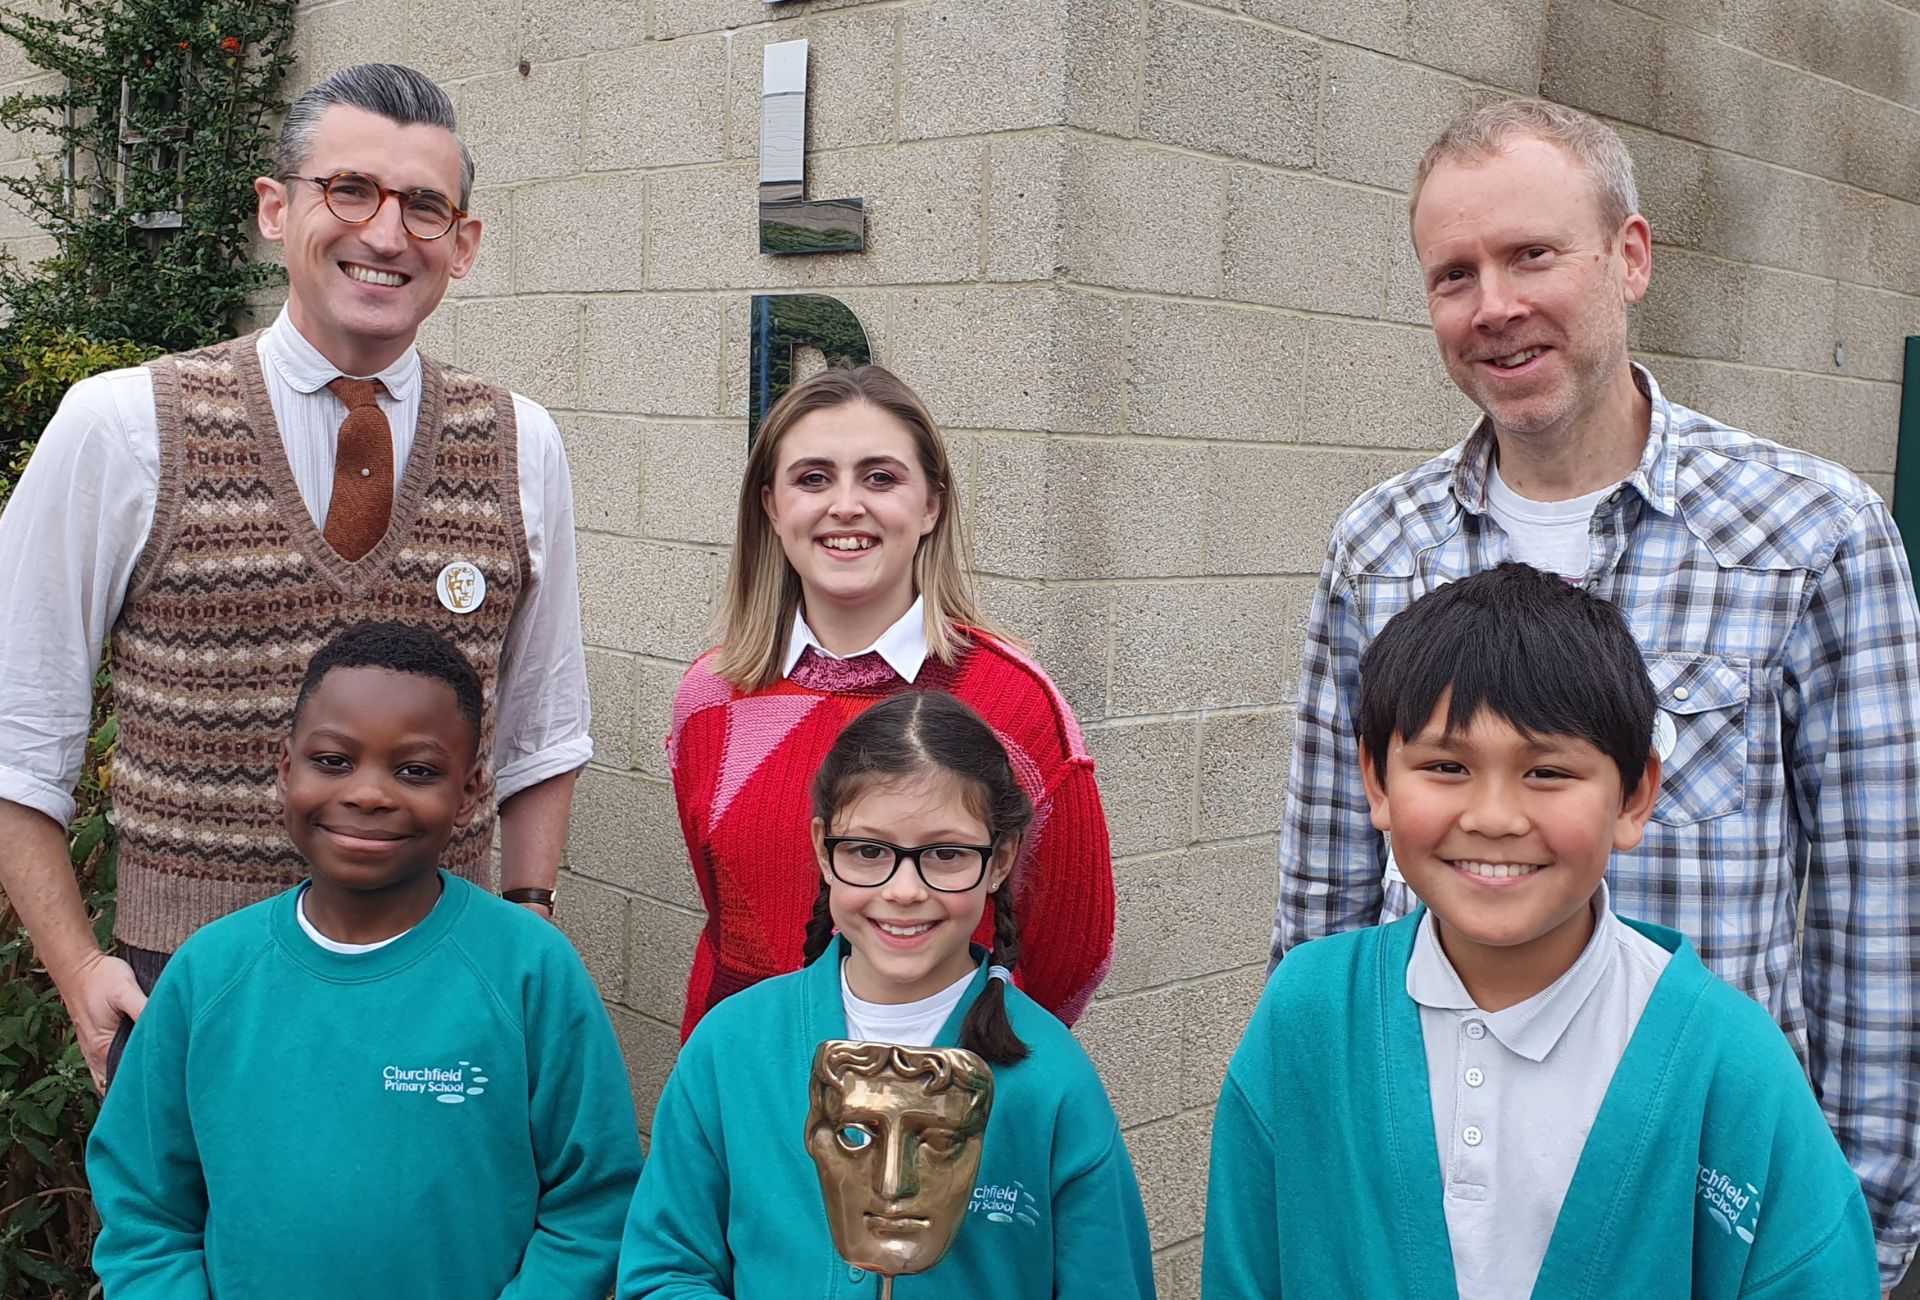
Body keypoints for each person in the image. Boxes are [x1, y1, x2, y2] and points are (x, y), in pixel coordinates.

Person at [1270, 98, 1920, 1288]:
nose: (1494, 306)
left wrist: (1856, 1231)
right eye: (1453, 273)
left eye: (1531, 254)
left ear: (1629, 258)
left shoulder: (1811, 533)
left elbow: (1885, 909)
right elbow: (1324, 885)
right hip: (1429, 1194)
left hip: (1691, 1195)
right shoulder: (1378, 544)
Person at [0, 63, 591, 1088]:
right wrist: (78, 967)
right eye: (348, 190)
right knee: (196, 1249)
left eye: (424, 205)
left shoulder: (521, 443)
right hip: (191, 990)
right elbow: (14, 733)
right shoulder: (124, 425)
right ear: (276, 209)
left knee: (447, 1243)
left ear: (464, 241)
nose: (387, 232)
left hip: (442, 989)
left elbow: (543, 730)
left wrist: (528, 924)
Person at [1211, 565, 1875, 1298]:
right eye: (1446, 765)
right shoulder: (1307, 1014)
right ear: (1376, 783)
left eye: (1549, 772)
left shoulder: (1731, 1062)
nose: (1495, 817)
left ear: (1635, 796)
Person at [87, 622, 642, 1299]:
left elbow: (593, 1203)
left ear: (470, 790)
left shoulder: (529, 973)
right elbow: (145, 1209)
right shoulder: (208, 976)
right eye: (334, 761)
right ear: (286, 769)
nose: (370, 793)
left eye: (416, 770)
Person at [621, 690, 1154, 1297]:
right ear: (825, 850)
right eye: (869, 851)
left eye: (946, 854)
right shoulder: (732, 1048)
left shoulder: (1052, 1078)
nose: (903, 890)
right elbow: (664, 1270)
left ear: (1001, 858)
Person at [670, 364, 1113, 1035]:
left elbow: (1072, 954)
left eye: (880, 478)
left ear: (931, 504)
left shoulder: (1016, 705)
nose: (845, 505)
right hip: (746, 1090)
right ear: (770, 504)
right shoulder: (708, 699)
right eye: (813, 478)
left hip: (942, 1105)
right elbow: (731, 912)